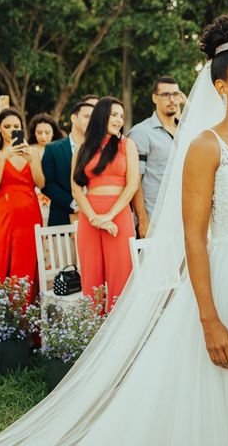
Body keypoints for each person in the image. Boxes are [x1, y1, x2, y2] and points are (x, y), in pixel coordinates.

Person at [0, 14, 228, 446]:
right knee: (226, 391)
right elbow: (194, 237)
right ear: (222, 88)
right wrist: (209, 319)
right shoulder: (205, 145)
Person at [72, 97, 138, 312]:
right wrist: (94, 218)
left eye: (121, 115)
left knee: (121, 275)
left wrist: (109, 216)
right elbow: (76, 190)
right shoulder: (83, 149)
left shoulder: (127, 145)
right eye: (114, 114)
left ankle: (119, 335)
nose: (119, 119)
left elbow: (133, 185)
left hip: (118, 215)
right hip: (89, 217)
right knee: (91, 278)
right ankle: (93, 333)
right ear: (102, 116)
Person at [0, 107, 44, 300]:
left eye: (16, 126)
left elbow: (40, 183)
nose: (11, 130)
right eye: (7, 126)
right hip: (5, 215)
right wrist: (3, 158)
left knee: (28, 263)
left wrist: (32, 161)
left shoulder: (32, 152)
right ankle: (6, 317)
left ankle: (28, 318)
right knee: (4, 261)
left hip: (30, 214)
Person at [128, 76, 185, 237]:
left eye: (176, 94)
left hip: (184, 217)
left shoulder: (185, 130)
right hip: (156, 217)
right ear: (155, 98)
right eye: (166, 95)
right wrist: (143, 220)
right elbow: (135, 180)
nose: (172, 100)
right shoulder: (141, 133)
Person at [41, 101, 94, 226]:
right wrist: (74, 203)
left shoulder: (99, 150)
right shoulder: (52, 149)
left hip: (96, 217)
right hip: (62, 218)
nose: (91, 121)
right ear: (73, 118)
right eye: (87, 117)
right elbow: (46, 184)